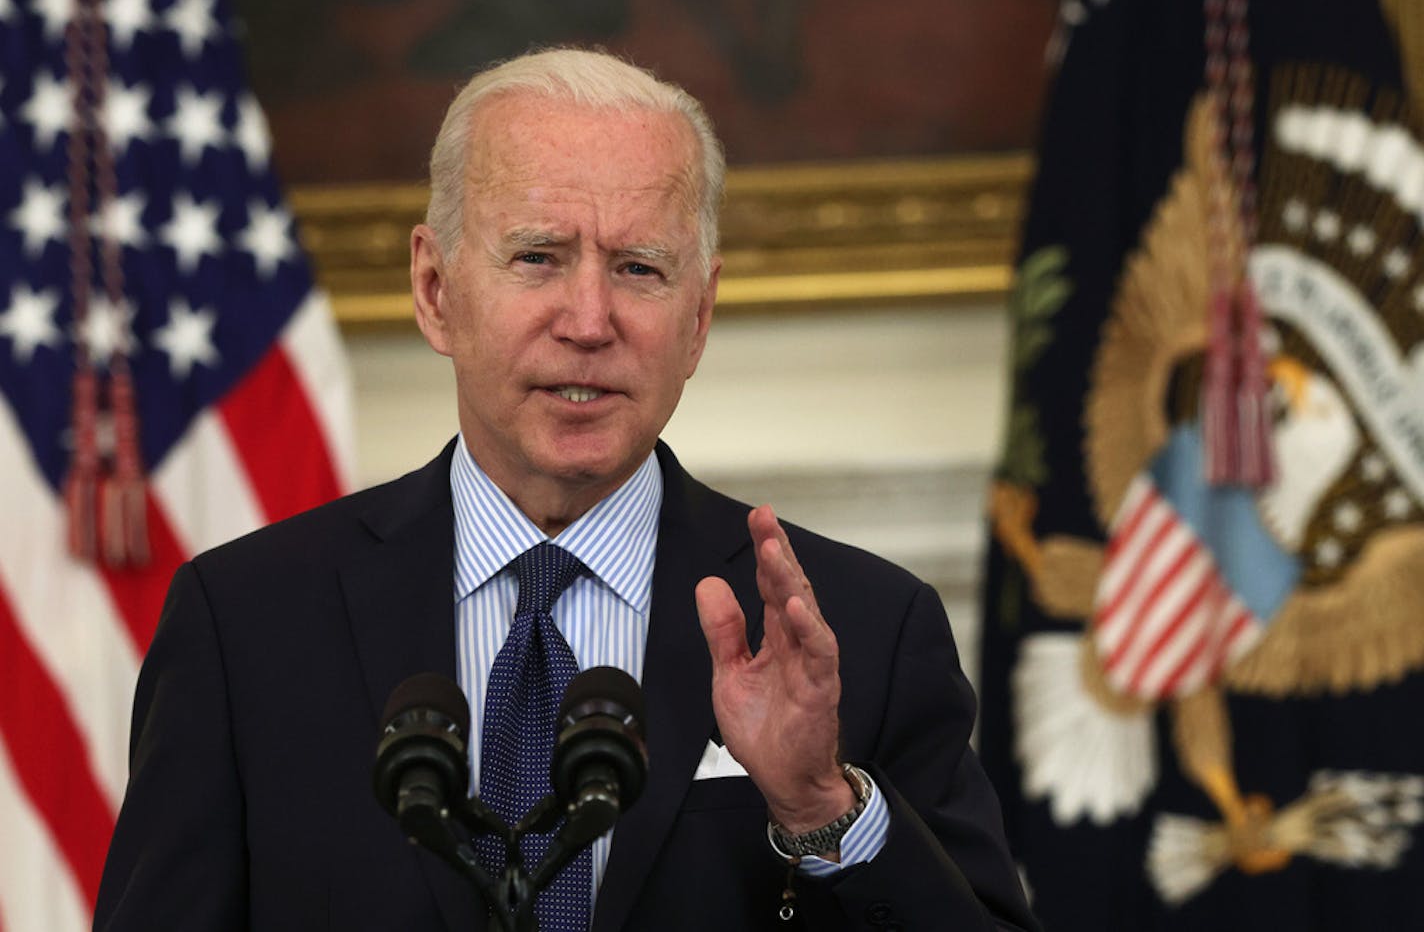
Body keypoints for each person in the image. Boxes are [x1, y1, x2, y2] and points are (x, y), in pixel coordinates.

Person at [95, 48, 1038, 932]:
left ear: (699, 317)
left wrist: (823, 808)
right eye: (538, 256)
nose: (590, 322)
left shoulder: (860, 631)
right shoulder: (247, 625)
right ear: (434, 289)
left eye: (639, 269)